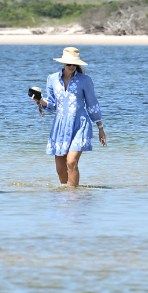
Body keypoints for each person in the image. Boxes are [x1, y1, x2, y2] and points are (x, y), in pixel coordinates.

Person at [32, 46, 106, 188]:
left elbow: (92, 104)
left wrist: (100, 128)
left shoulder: (85, 80)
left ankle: (73, 194)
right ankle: (66, 194)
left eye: (74, 64)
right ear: (63, 64)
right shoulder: (52, 79)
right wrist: (39, 101)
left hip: (80, 124)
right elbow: (52, 105)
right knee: (60, 168)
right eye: (68, 64)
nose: (72, 66)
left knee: (71, 161)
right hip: (60, 125)